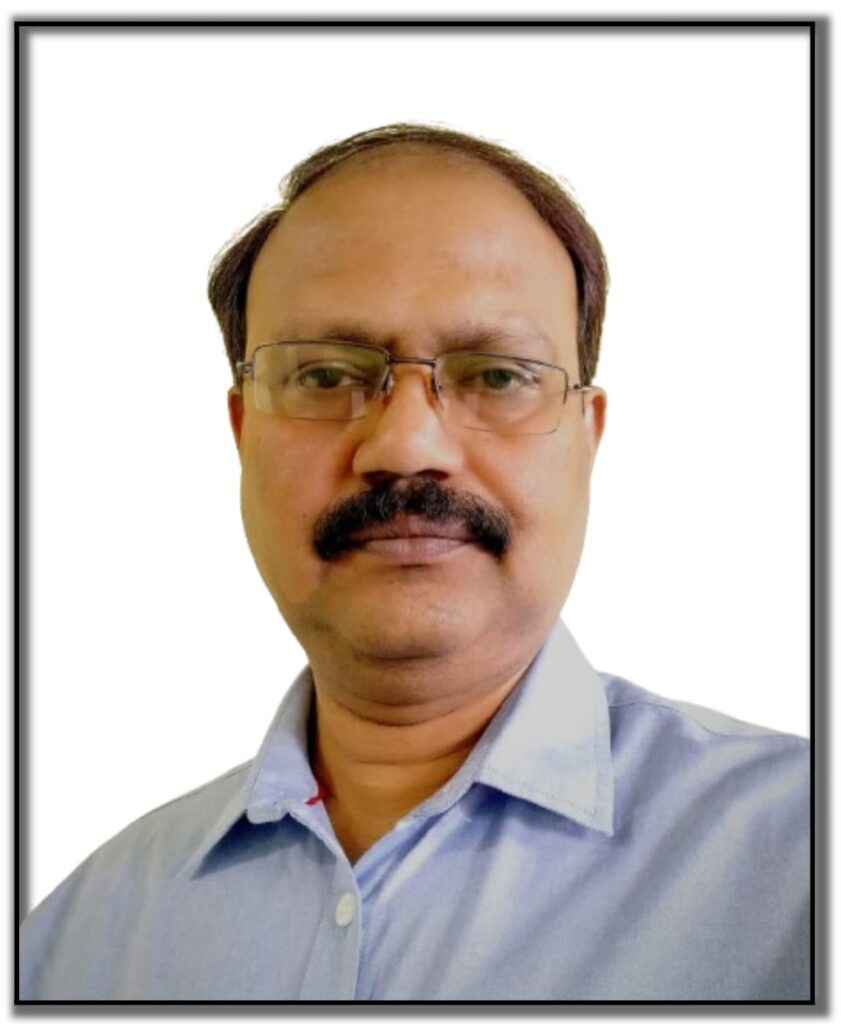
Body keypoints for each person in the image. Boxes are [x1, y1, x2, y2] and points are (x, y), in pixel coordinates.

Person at [19, 123, 810, 1002]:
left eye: (497, 375)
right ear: (243, 434)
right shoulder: (75, 947)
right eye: (324, 376)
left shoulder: (803, 867)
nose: (405, 445)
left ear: (586, 439)